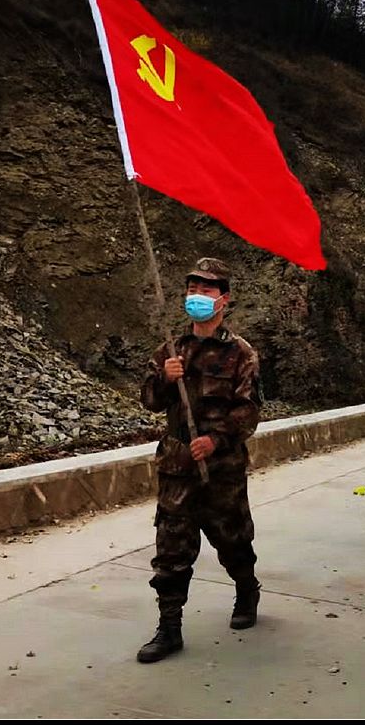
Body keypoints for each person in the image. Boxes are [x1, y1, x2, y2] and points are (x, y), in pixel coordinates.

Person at [136, 257, 262, 663]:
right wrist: (165, 378)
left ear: (223, 298)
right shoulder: (171, 350)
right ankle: (169, 628)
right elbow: (150, 401)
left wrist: (215, 440)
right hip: (177, 467)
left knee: (233, 540)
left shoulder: (240, 353)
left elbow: (249, 411)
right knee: (171, 550)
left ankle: (246, 590)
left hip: (222, 470)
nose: (197, 296)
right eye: (192, 289)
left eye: (206, 289)